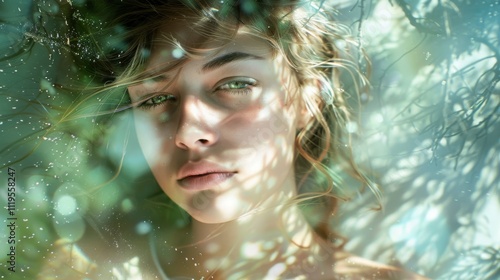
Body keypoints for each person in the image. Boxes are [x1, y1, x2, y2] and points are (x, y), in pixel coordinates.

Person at [42, 0, 427, 279]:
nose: (189, 133)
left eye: (236, 84)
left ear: (308, 96)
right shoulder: (85, 271)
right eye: (156, 98)